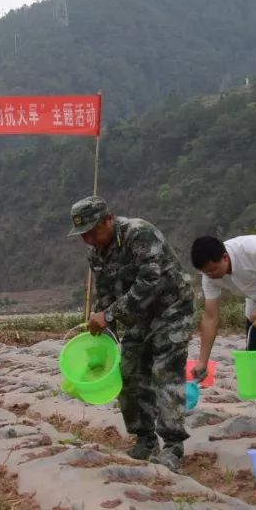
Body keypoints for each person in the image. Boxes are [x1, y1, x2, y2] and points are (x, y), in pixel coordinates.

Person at [70, 196, 195, 471]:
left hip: (170, 308)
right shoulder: (97, 255)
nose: (88, 239)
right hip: (138, 315)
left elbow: (151, 281)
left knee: (165, 372)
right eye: (83, 235)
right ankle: (145, 439)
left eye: (92, 231)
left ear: (109, 219)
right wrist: (99, 343)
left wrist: (111, 315)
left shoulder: (139, 234)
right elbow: (104, 299)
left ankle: (173, 446)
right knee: (126, 371)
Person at [190, 235, 256, 428]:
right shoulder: (209, 276)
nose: (211, 275)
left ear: (224, 257)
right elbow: (210, 318)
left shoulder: (254, 250)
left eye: (214, 270)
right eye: (206, 272)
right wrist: (202, 361)